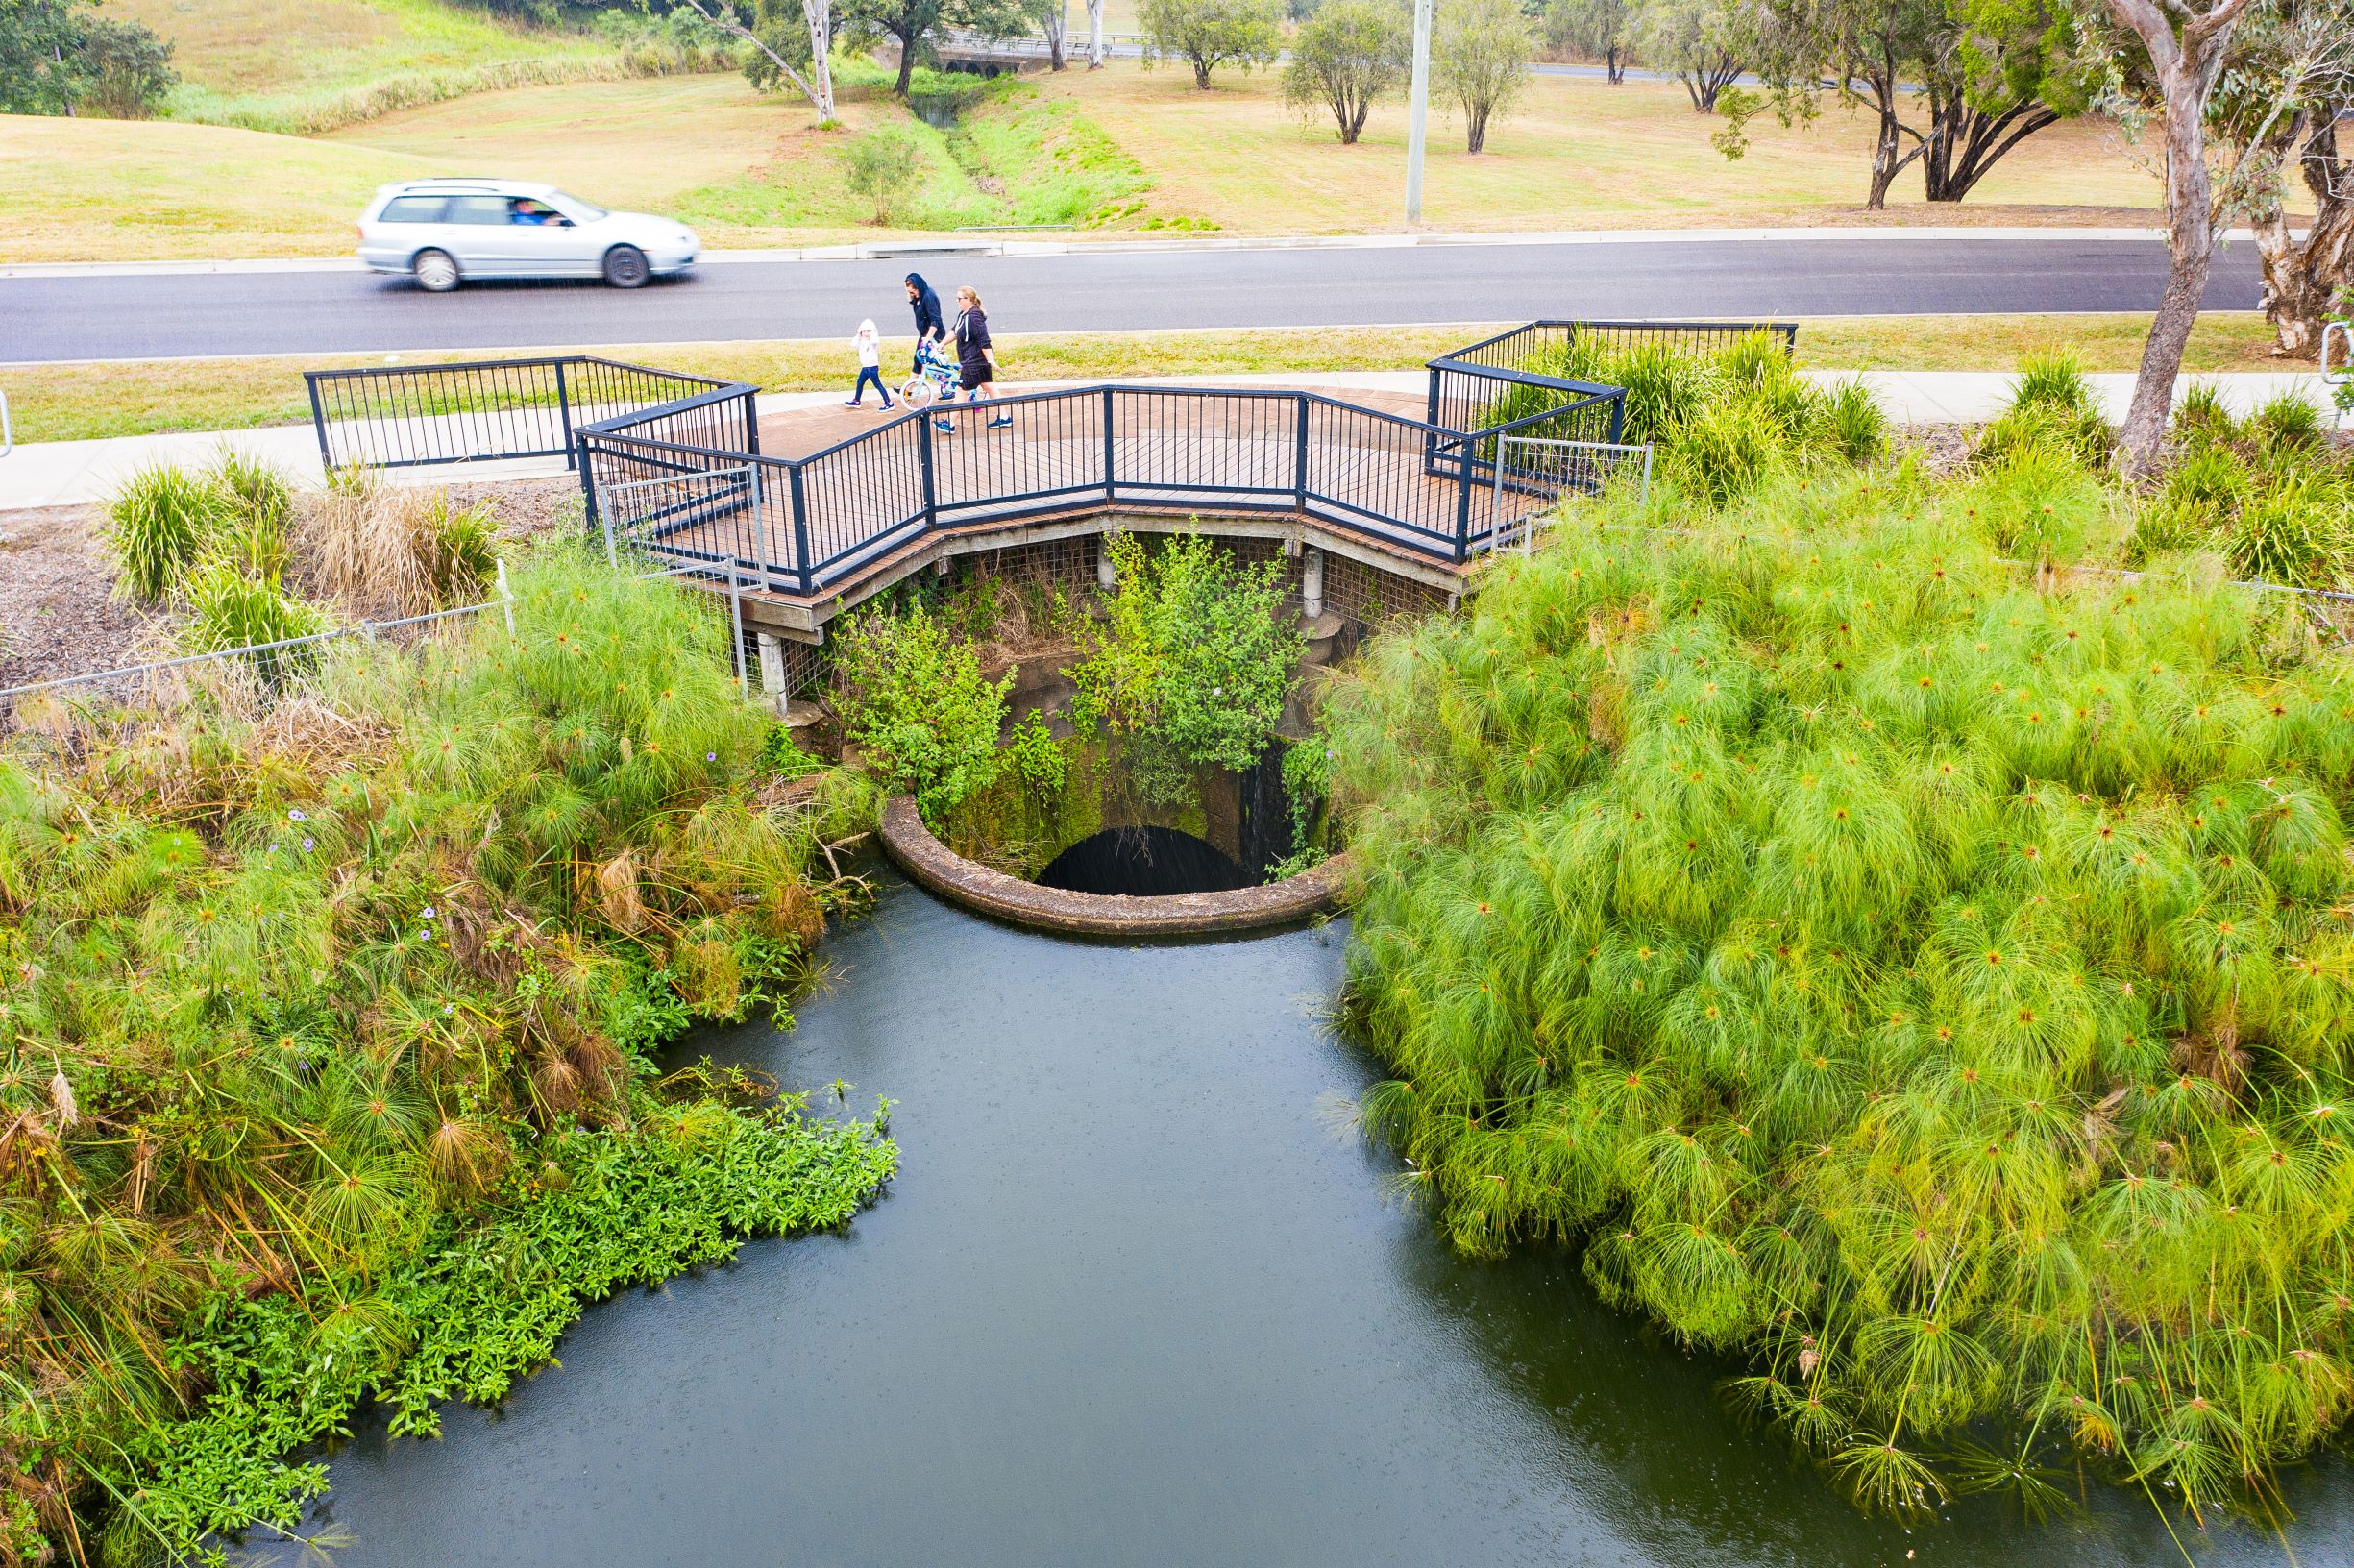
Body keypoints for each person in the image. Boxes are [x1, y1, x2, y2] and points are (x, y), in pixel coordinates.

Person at [938, 284, 1008, 434]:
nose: (957, 301)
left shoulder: (974, 317)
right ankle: (1004, 417)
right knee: (989, 387)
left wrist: (991, 360)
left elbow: (984, 340)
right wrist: (942, 343)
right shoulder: (964, 314)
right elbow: (954, 330)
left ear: (969, 299)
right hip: (974, 361)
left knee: (960, 390)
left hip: (974, 362)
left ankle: (950, 424)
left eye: (959, 298)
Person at [845, 319, 895, 409]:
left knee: (878, 385)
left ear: (872, 332)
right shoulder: (861, 340)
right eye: (863, 331)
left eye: (868, 331)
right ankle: (857, 400)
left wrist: (872, 334)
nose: (866, 333)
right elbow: (853, 344)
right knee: (859, 383)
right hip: (865, 368)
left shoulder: (873, 342)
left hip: (872, 368)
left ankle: (889, 403)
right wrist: (858, 335)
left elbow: (875, 341)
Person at [903, 273, 945, 375]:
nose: (913, 295)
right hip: (925, 334)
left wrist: (928, 339)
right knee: (918, 360)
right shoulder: (918, 296)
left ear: (919, 287)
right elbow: (910, 300)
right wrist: (909, 289)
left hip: (934, 334)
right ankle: (909, 389)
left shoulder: (929, 297)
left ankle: (952, 385)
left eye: (913, 292)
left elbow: (935, 321)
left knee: (939, 361)